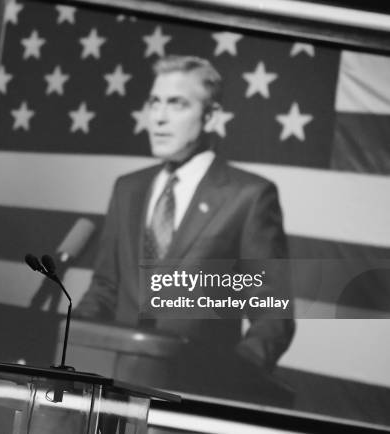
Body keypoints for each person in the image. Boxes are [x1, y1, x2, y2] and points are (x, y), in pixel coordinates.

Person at [75, 55, 295, 371]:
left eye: (177, 104)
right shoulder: (128, 188)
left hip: (193, 389)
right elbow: (104, 290)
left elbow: (274, 318)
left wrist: (232, 380)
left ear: (211, 115)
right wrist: (68, 347)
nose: (159, 117)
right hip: (111, 379)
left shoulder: (249, 196)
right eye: (154, 102)